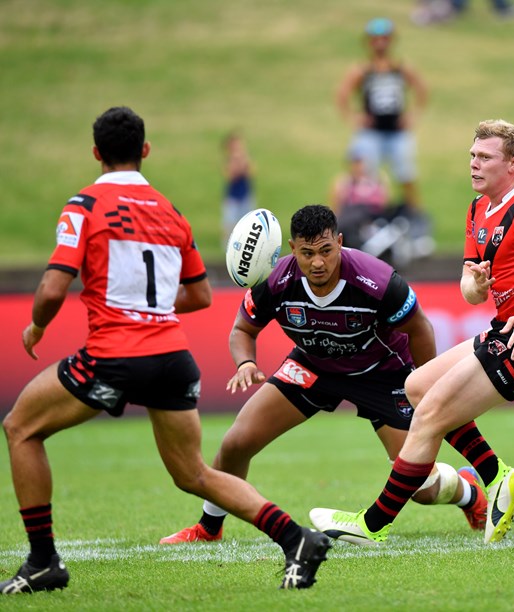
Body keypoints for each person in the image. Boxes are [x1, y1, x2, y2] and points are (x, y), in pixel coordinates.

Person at [0, 107, 329, 594]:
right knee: (192, 473)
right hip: (173, 358)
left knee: (20, 428)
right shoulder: (169, 211)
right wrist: (148, 305)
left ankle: (44, 560)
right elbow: (199, 295)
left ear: (95, 153)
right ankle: (296, 538)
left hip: (114, 352)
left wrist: (35, 327)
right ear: (145, 151)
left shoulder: (84, 204)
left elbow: (52, 289)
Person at [309, 119, 514, 545]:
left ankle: (372, 525)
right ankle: (498, 477)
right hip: (505, 333)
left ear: (513, 164)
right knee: (418, 386)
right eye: (472, 156)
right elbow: (469, 290)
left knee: (430, 415)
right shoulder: (479, 208)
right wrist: (476, 284)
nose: (474, 165)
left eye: (485, 158)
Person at [159, 204, 489, 547]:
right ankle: (209, 528)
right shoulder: (275, 279)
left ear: (340, 242)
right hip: (312, 367)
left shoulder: (375, 279)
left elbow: (419, 328)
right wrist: (245, 363)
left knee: (421, 487)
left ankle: (468, 492)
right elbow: (242, 328)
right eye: (307, 253)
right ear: (291, 249)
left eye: (326, 251)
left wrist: (424, 385)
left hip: (382, 374)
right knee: (236, 443)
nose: (317, 262)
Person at [337, 17, 427, 212]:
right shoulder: (363, 69)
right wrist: (354, 117)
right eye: (376, 38)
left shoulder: (400, 68)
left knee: (406, 176)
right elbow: (342, 94)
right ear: (368, 42)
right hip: (371, 133)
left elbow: (422, 90)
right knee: (362, 177)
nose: (380, 43)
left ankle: (416, 218)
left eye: (384, 38)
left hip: (397, 132)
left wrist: (413, 115)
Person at [329, 145, 390, 250]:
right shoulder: (344, 181)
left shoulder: (379, 179)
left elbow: (385, 205)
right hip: (351, 222)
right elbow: (336, 208)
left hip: (373, 219)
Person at [221, 131, 255, 246]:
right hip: (233, 196)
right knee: (230, 224)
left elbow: (251, 172)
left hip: (245, 195)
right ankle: (228, 247)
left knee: (248, 224)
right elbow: (231, 175)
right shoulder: (229, 160)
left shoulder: (244, 158)